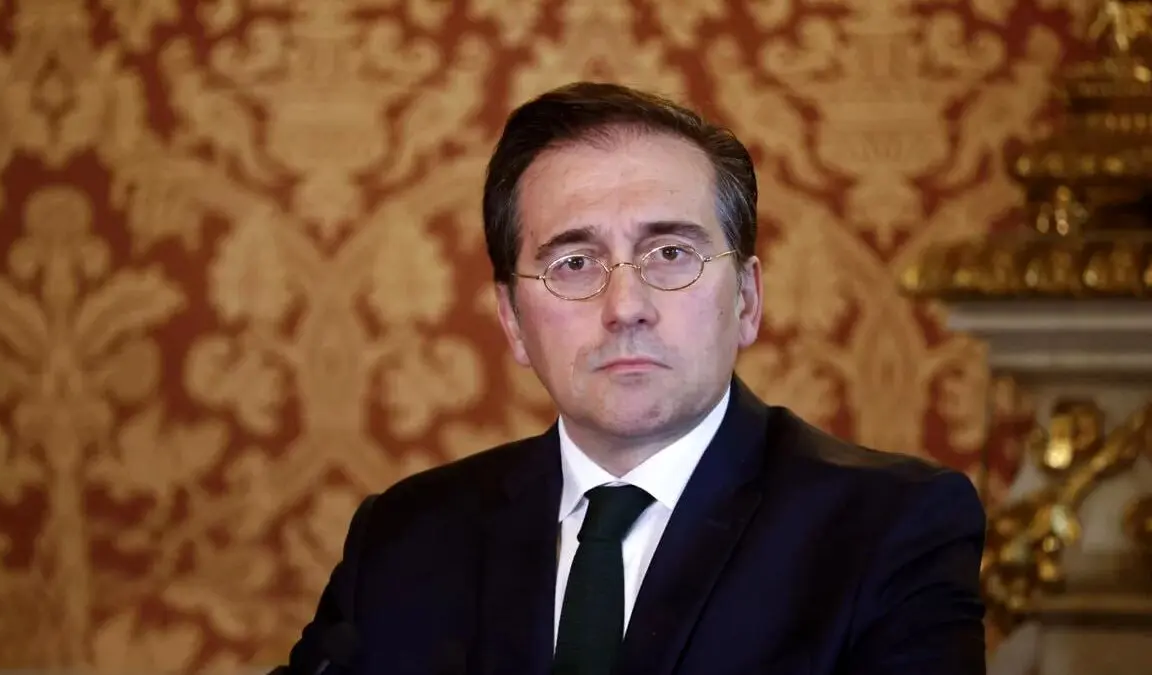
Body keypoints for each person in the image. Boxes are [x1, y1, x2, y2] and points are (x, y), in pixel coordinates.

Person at [279, 81, 986, 675]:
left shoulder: (889, 527)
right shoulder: (406, 538)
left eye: (671, 253)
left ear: (746, 299)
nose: (626, 307)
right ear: (513, 320)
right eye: (574, 263)